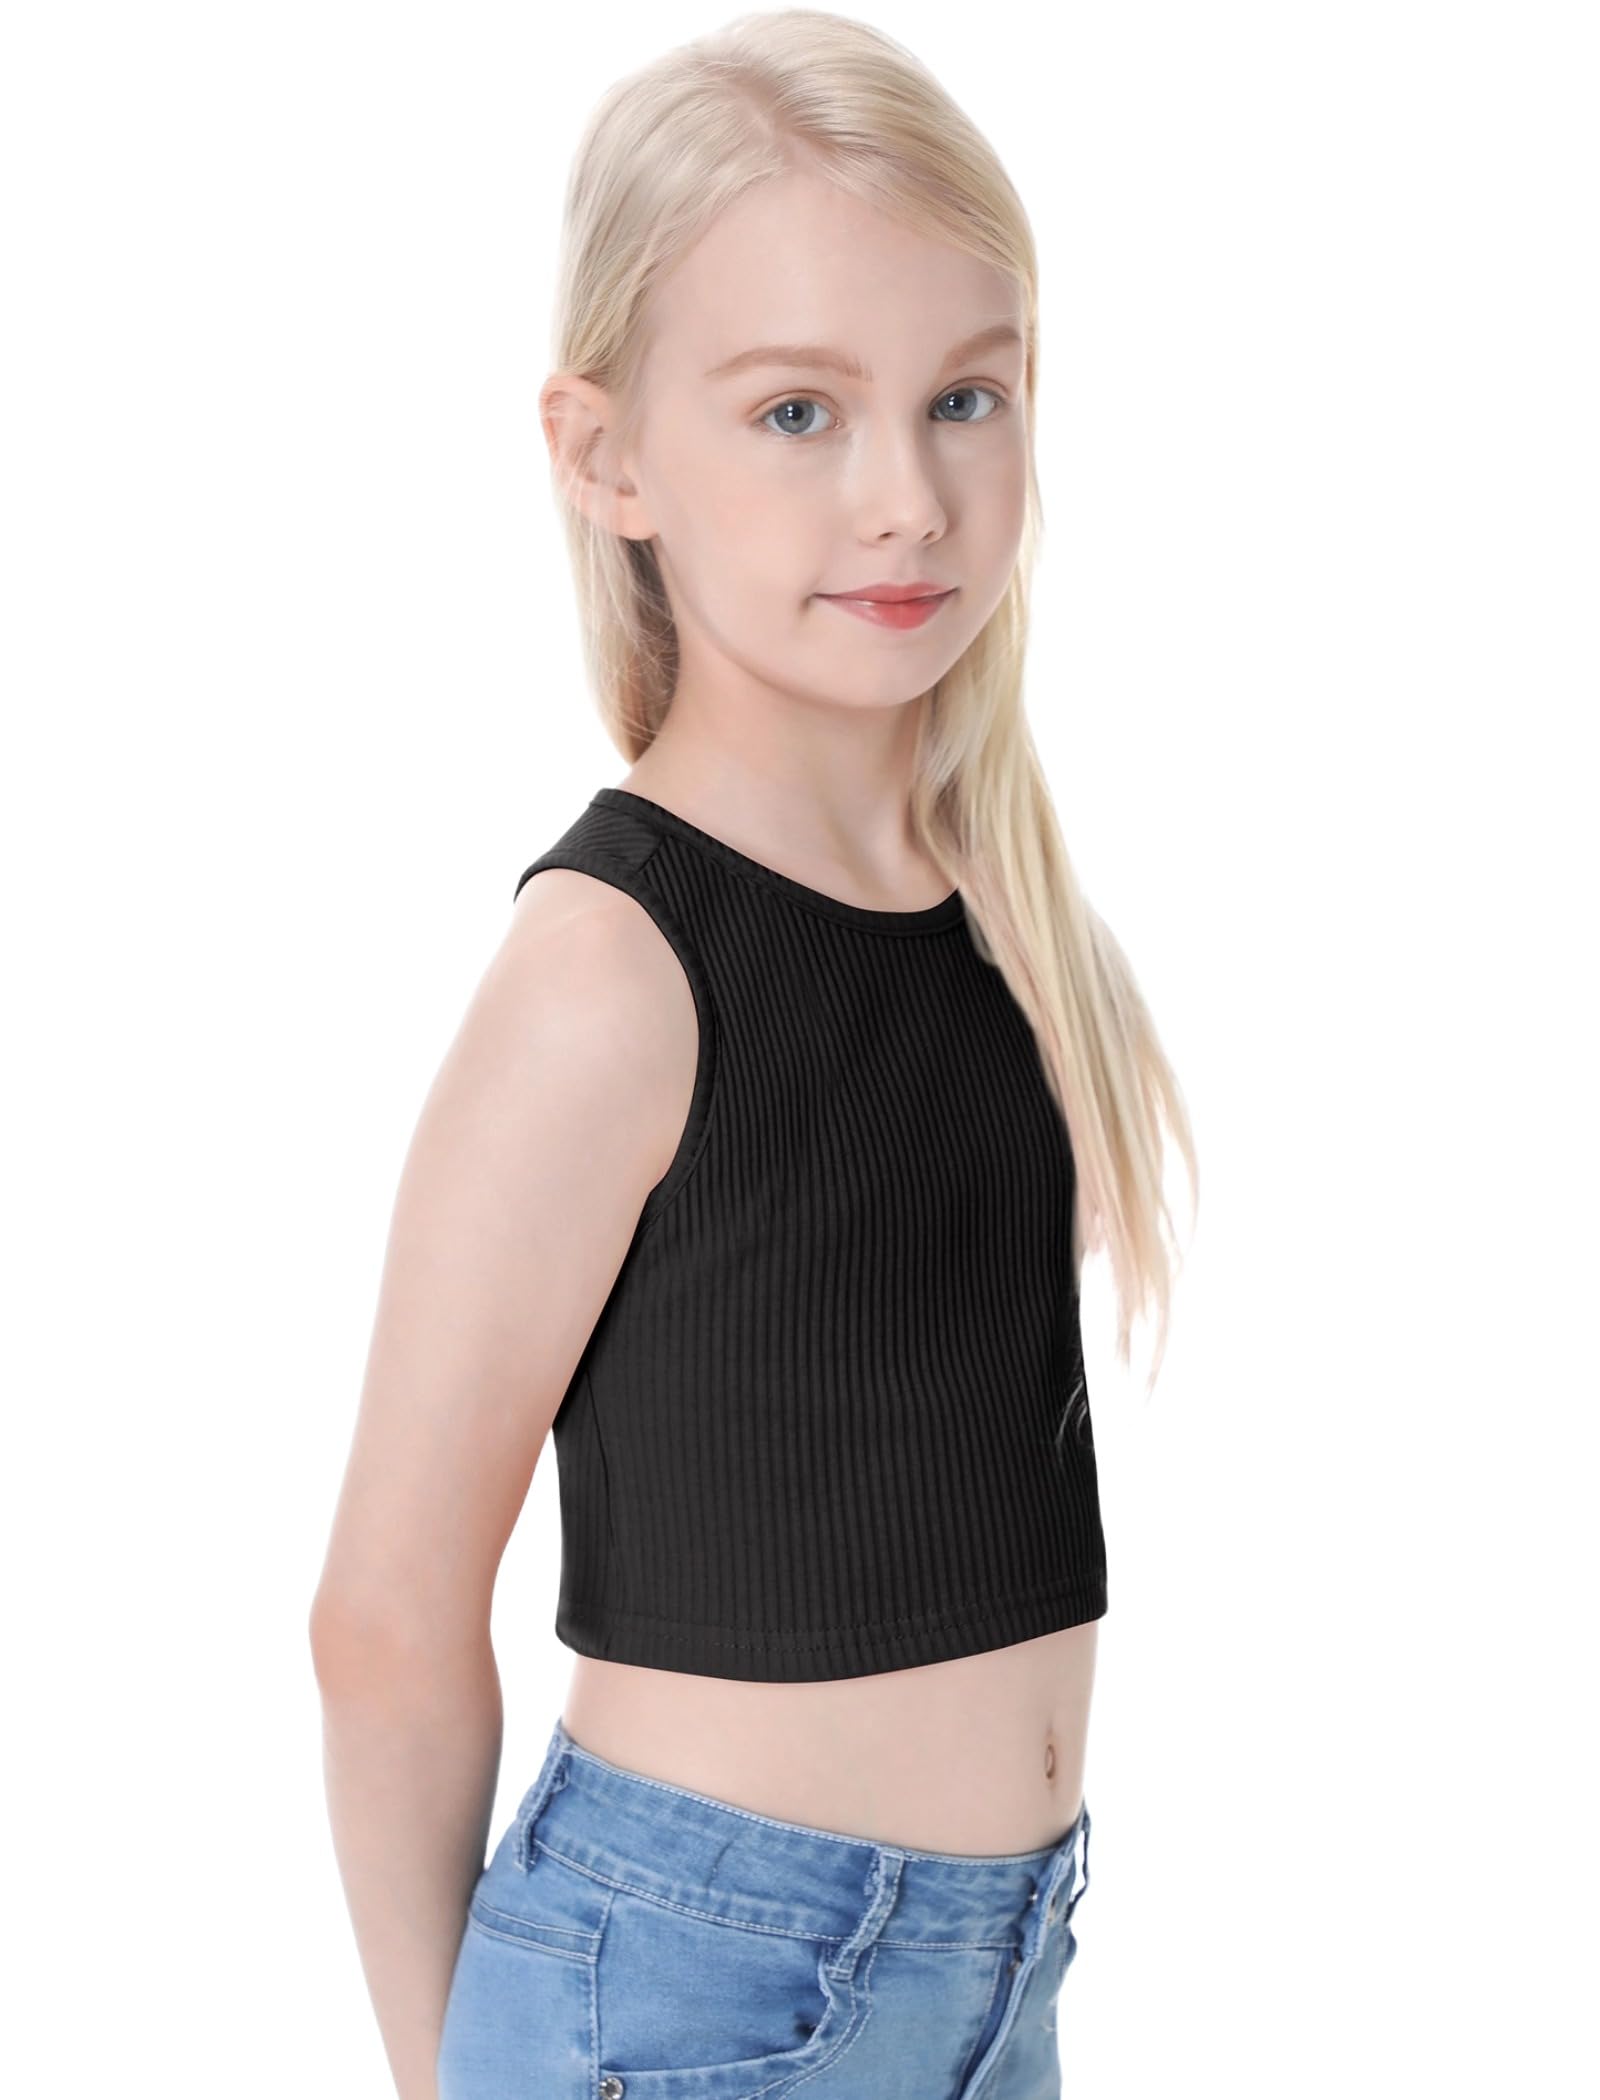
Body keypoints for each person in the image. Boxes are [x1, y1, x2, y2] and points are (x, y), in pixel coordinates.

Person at [310, 12, 1196, 2097]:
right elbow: (384, 1614)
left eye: (964, 397)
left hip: (993, 1979)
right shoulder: (609, 973)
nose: (906, 499)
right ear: (606, 456)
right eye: (797, 410)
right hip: (702, 2001)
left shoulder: (1003, 917)